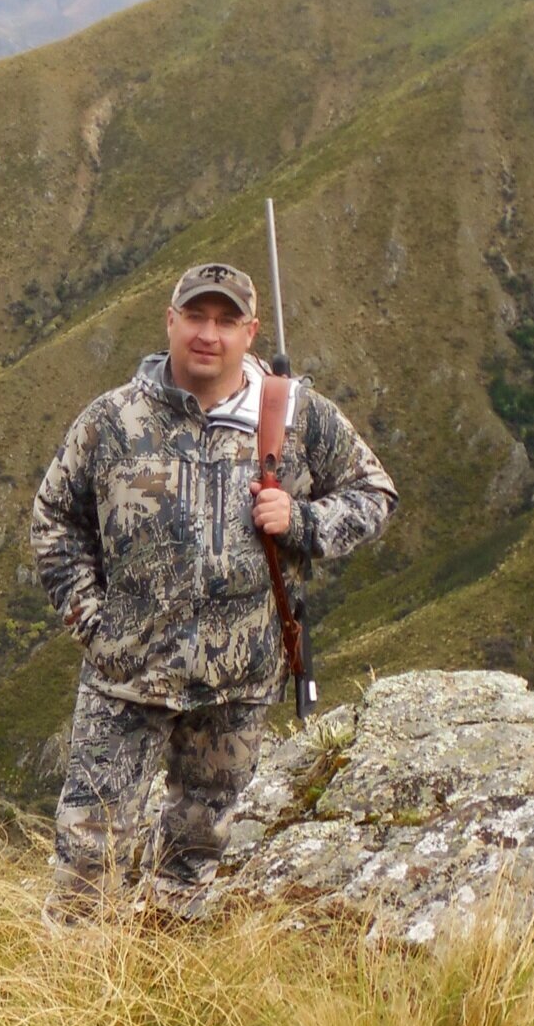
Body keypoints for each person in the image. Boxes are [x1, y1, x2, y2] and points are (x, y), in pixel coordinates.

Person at [27, 261, 396, 925]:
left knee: (197, 856)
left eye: (226, 321)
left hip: (237, 683)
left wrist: (305, 521)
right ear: (169, 322)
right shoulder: (111, 421)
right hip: (126, 677)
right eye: (195, 316)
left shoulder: (298, 418)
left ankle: (167, 993)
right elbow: (54, 517)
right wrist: (92, 621)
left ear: (250, 332)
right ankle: (64, 1006)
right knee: (88, 857)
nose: (208, 334)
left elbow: (374, 493)